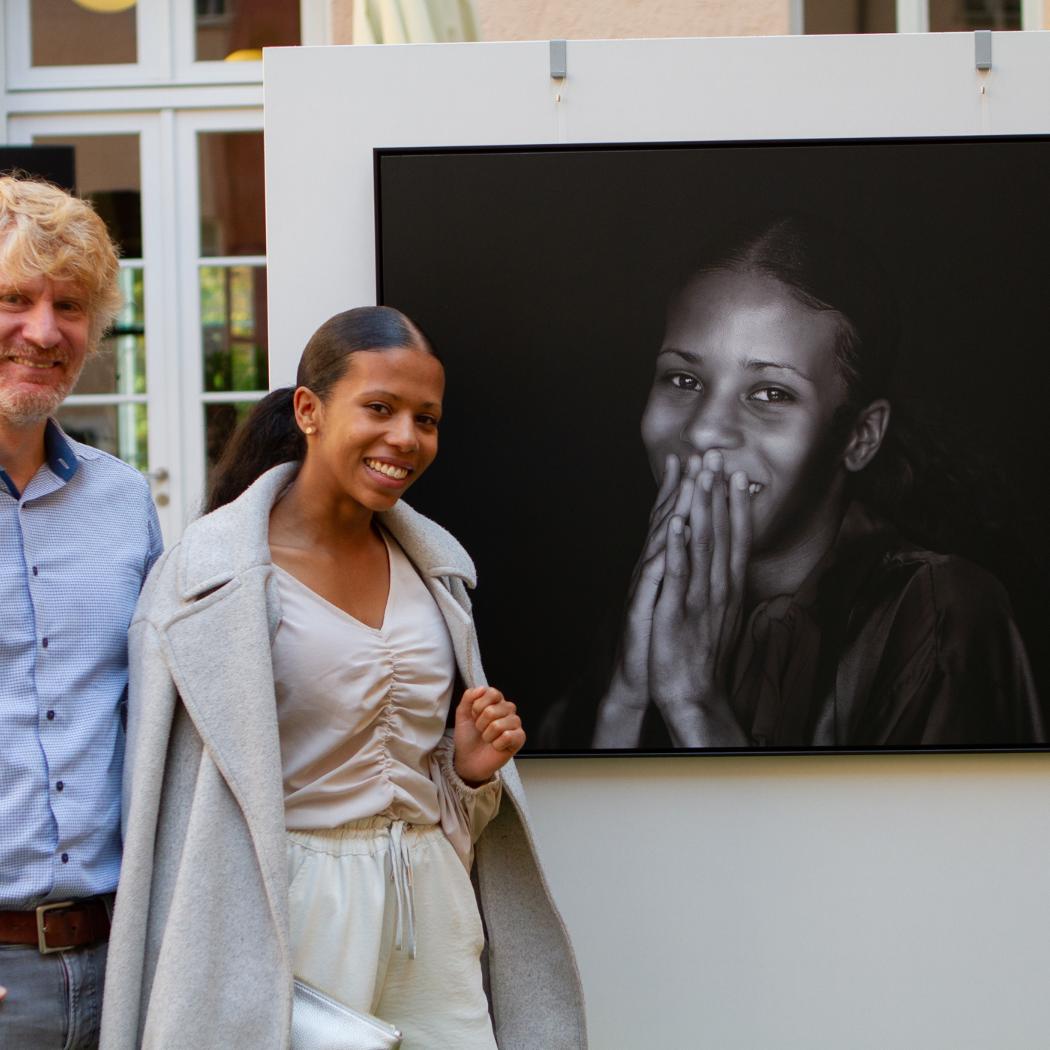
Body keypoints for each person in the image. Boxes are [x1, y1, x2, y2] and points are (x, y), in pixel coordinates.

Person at [100, 306, 587, 1049]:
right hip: (287, 912)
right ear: (309, 410)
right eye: (380, 408)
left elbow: (427, 793)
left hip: (431, 904)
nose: (406, 439)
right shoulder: (206, 584)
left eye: (426, 419)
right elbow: (169, 810)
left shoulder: (437, 574)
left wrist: (466, 772)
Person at [591, 215, 1043, 750]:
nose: (705, 429)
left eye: (770, 394)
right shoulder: (631, 609)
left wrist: (692, 701)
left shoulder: (939, 612)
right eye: (684, 379)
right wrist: (625, 700)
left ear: (860, 436)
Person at [0, 176, 162, 1048]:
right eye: (13, 299)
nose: (43, 331)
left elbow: (158, 707)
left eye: (69, 305)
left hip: (117, 961)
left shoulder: (124, 502)